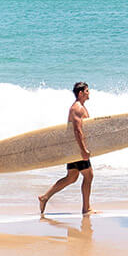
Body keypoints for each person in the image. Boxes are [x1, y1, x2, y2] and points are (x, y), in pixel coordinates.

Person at [38, 81, 95, 215]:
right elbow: (77, 130)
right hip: (76, 148)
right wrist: (83, 150)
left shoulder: (80, 107)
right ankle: (86, 208)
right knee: (89, 175)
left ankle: (44, 197)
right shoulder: (77, 108)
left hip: (73, 148)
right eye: (87, 91)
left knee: (71, 177)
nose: (89, 93)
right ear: (80, 93)